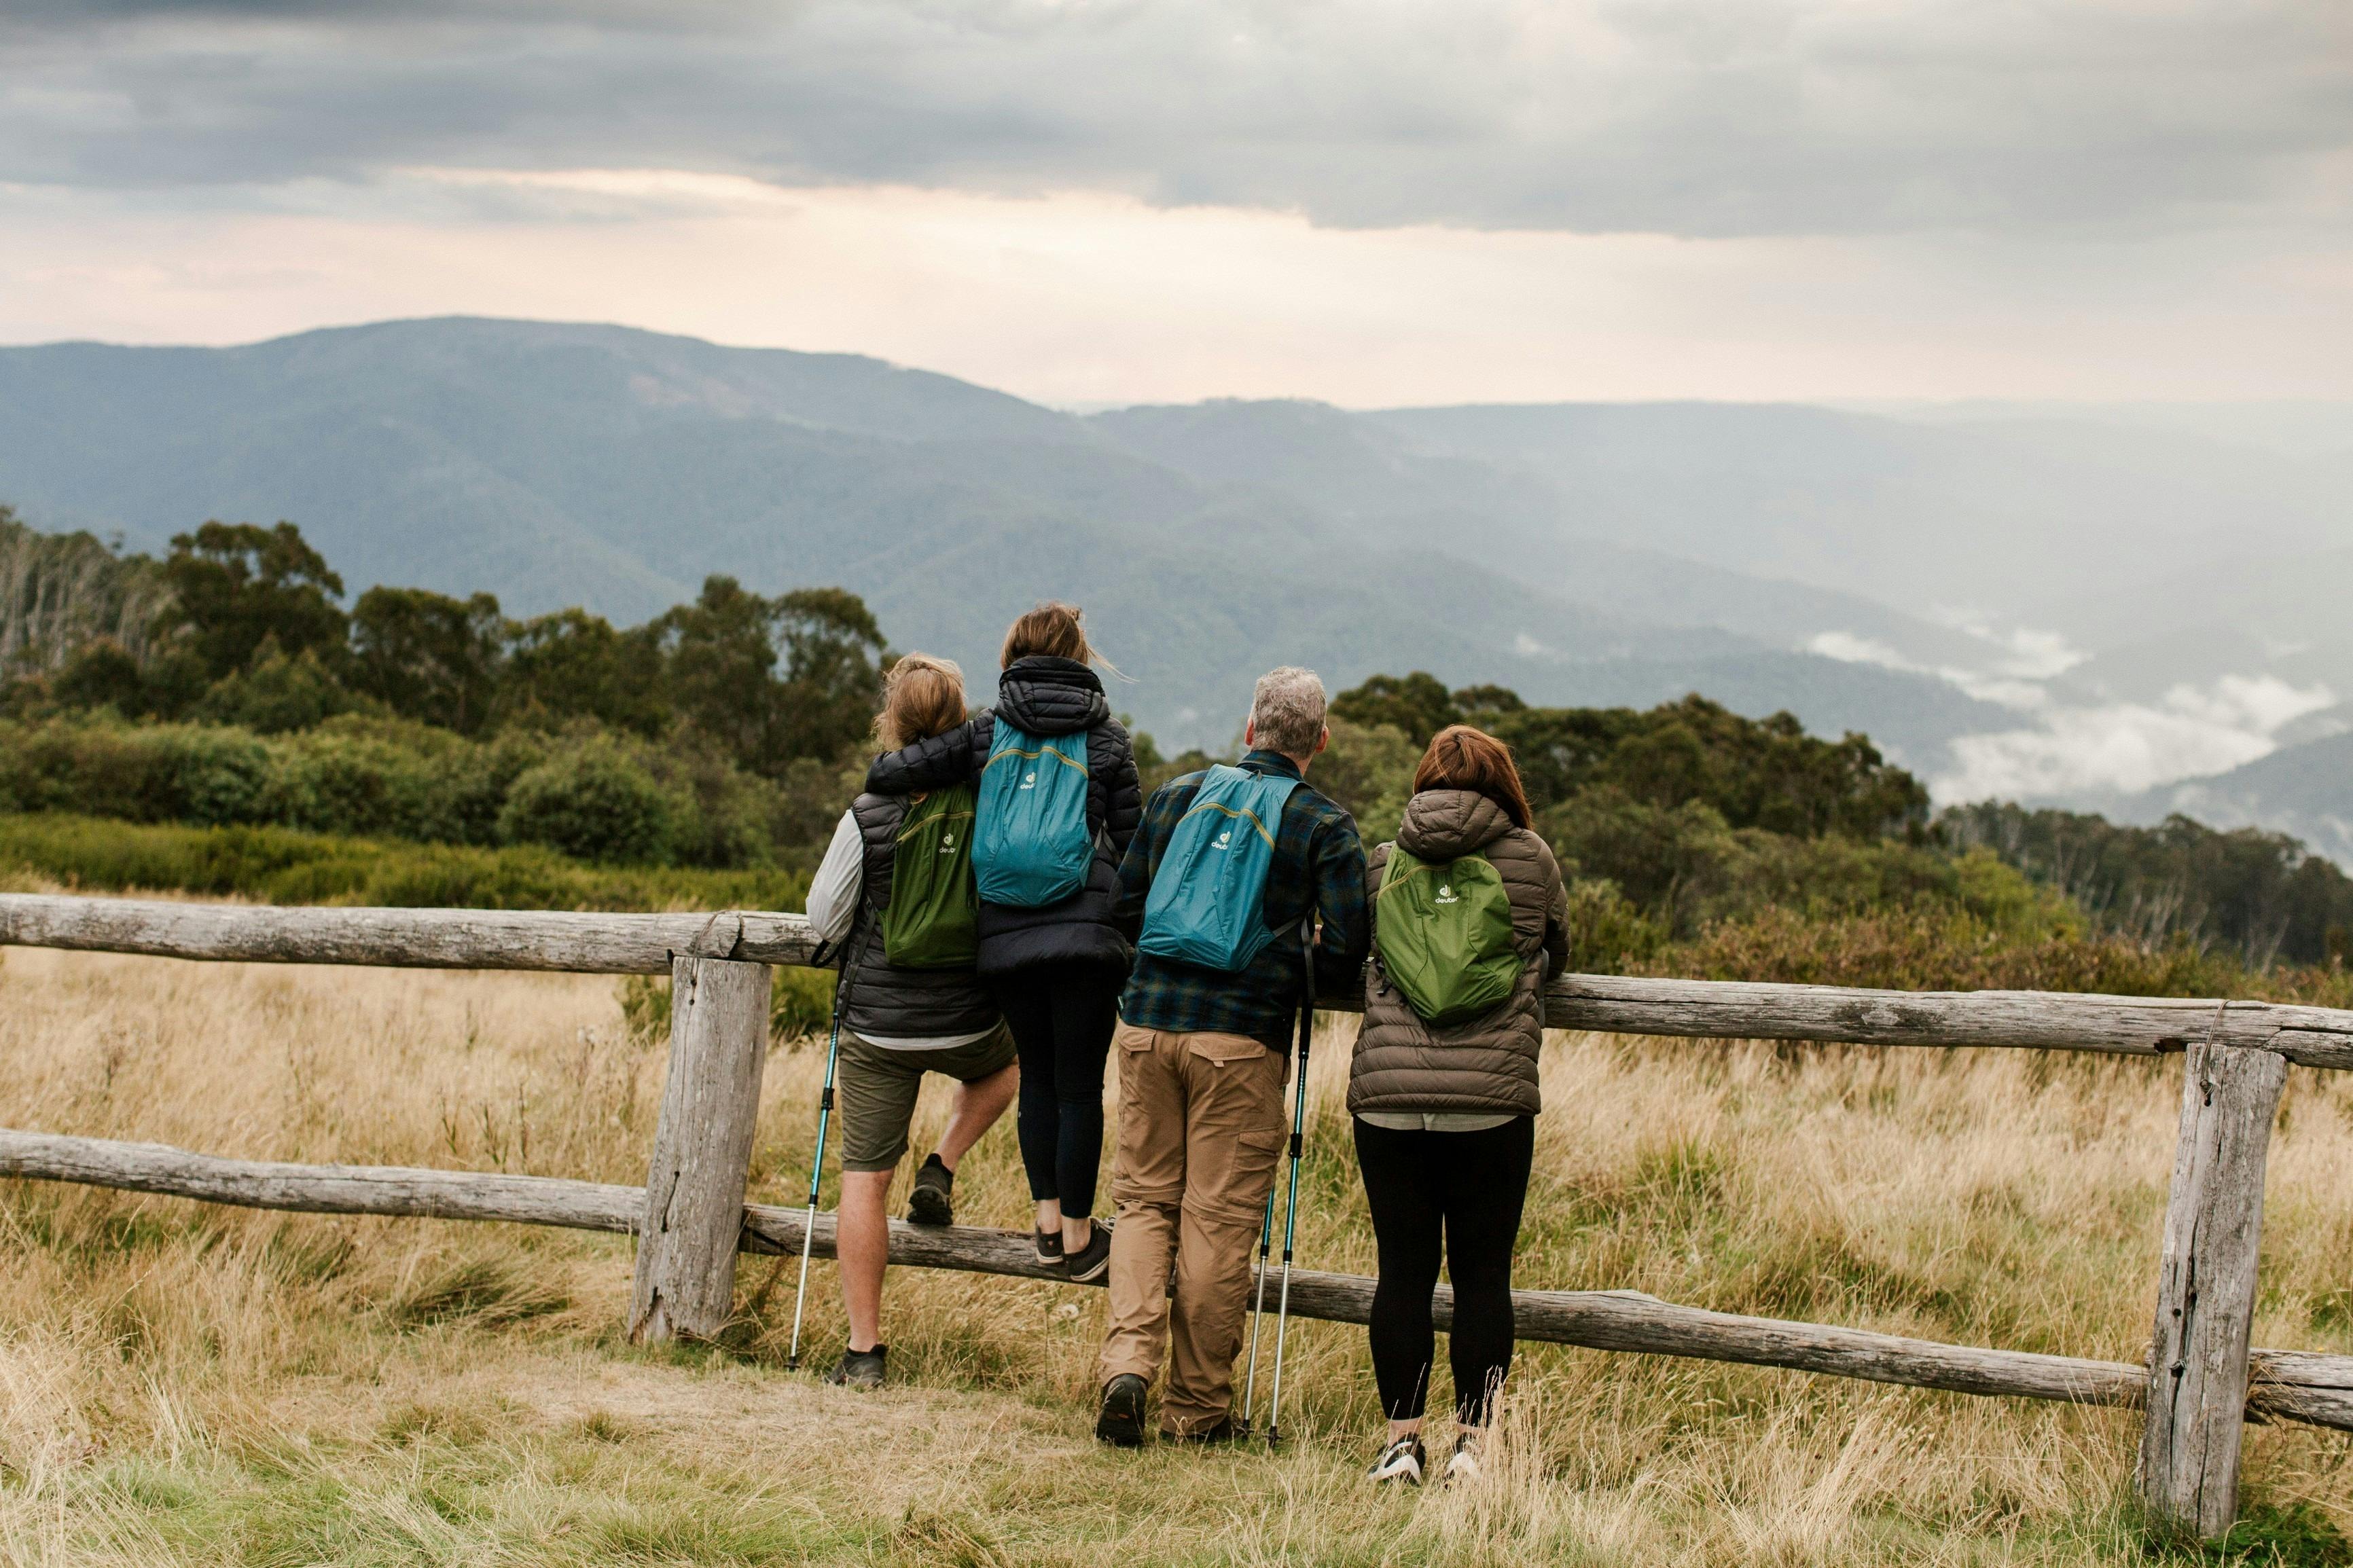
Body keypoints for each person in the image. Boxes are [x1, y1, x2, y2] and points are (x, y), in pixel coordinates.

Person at [1092, 666, 1368, 1446]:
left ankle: (1127, 1369)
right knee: (1215, 1221)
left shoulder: (1178, 795)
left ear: (1248, 729)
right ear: (1318, 739)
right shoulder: (1322, 824)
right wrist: (1296, 954)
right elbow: (1349, 946)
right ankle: (1196, 1410)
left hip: (1146, 1027)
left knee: (1144, 1202)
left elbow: (1126, 906)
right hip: (1238, 1043)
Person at [863, 604, 1144, 1282]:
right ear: (1081, 656)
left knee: (1039, 1081)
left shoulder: (987, 730)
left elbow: (886, 773)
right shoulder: (1108, 738)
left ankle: (1046, 1225)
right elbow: (1135, 852)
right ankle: (1080, 1238)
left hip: (1006, 938)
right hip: (1084, 937)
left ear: (1011, 654)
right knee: (1079, 1087)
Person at [1349, 725, 1568, 1485]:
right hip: (1490, 1101)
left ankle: (1398, 1444)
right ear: (1503, 782)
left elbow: (1358, 949)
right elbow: (1559, 948)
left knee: (1400, 1272)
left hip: (1388, 1100)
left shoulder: (1383, 861)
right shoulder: (1529, 859)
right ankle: (1472, 1446)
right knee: (1483, 1274)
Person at [804, 653, 1019, 1389]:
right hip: (966, 1017)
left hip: (876, 1027)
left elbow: (822, 916)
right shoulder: (987, 799)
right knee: (1006, 1070)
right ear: (962, 723)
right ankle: (944, 1161)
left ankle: (864, 1351)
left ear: (890, 722)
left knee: (863, 1182)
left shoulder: (867, 812)